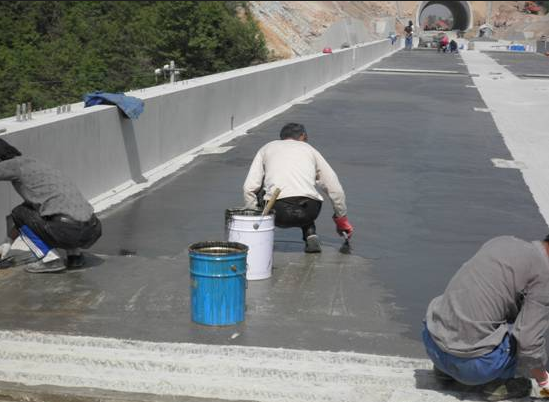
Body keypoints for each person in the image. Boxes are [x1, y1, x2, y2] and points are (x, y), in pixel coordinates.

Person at [422, 235, 549, 400]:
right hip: (474, 369)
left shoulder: (502, 241)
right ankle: (498, 384)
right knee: (522, 332)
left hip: (433, 345)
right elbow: (529, 343)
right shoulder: (544, 275)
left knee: (477, 306)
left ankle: (446, 371)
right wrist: (544, 381)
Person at [242, 123, 353, 253]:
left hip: (277, 211)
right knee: (307, 192)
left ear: (282, 137)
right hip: (309, 211)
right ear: (303, 136)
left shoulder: (267, 148)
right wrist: (341, 219)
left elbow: (249, 188)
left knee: (261, 190)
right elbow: (335, 188)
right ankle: (310, 234)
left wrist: (255, 215)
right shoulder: (310, 150)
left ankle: (262, 235)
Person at [0, 138, 102, 273]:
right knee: (46, 211)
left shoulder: (12, 165)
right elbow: (28, 219)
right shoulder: (36, 165)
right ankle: (75, 256)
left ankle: (50, 259)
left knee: (19, 212)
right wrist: (7, 242)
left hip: (68, 231)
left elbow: (20, 217)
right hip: (92, 229)